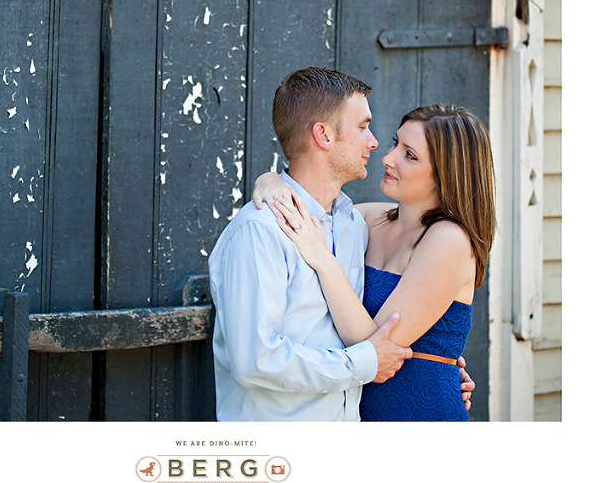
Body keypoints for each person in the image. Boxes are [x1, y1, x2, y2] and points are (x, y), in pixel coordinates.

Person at [253, 100, 494, 421]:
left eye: (409, 155)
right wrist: (270, 181)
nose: (388, 158)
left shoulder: (448, 240)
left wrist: (324, 260)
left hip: (416, 411)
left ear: (446, 175)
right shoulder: (369, 218)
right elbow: (308, 204)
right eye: (397, 143)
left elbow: (374, 348)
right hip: (354, 405)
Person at [208, 67, 413, 422]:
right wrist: (363, 363)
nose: (374, 141)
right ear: (323, 135)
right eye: (363, 127)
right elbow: (254, 361)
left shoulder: (353, 226)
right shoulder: (259, 231)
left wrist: (440, 369)